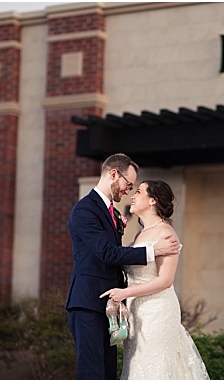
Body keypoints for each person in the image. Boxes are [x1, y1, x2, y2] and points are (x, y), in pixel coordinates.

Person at [65, 154, 181, 380]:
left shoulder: (112, 212)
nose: (128, 190)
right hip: (88, 303)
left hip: (110, 307)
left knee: (108, 373)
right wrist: (152, 251)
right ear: (113, 174)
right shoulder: (85, 210)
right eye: (128, 184)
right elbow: (107, 253)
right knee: (92, 373)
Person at [100, 180, 209, 380]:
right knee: (137, 368)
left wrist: (125, 293)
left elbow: (165, 281)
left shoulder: (166, 234)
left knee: (155, 368)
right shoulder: (141, 233)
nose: (133, 195)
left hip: (158, 311)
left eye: (139, 192)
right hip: (136, 312)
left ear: (152, 201)